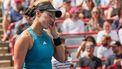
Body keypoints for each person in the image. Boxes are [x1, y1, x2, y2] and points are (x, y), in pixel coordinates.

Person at [14, 0, 65, 69]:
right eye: (50, 15)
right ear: (38, 13)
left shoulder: (49, 35)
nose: (52, 20)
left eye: (54, 17)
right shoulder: (25, 38)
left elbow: (61, 58)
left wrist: (55, 35)